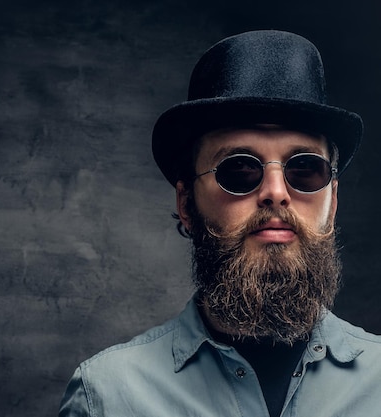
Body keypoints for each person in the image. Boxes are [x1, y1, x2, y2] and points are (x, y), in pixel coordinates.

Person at [58, 30, 381, 417]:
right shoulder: (107, 398)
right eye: (240, 169)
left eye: (306, 169)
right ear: (186, 204)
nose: (276, 192)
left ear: (333, 200)